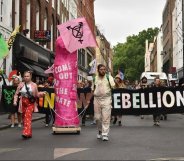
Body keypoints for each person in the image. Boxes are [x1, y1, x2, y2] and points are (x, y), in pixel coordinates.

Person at [13, 71, 45, 139]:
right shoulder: (21, 84)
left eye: (27, 76)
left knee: (27, 117)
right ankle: (29, 133)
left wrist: (42, 94)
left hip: (30, 103)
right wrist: (15, 101)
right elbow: (16, 94)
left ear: (30, 77)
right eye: (25, 76)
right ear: (23, 77)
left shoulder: (34, 85)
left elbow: (36, 95)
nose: (26, 77)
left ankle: (26, 132)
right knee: (24, 118)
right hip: (23, 103)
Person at [92, 64, 115, 141]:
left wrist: (115, 83)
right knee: (97, 117)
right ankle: (100, 130)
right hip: (97, 99)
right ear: (98, 70)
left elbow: (114, 86)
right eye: (101, 69)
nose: (103, 71)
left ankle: (105, 134)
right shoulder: (95, 78)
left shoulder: (109, 77)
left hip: (106, 99)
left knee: (106, 117)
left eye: (104, 69)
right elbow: (92, 89)